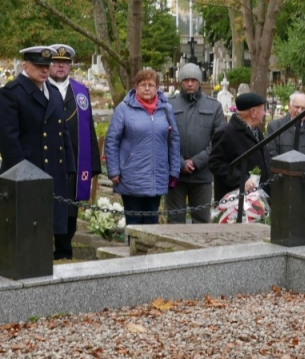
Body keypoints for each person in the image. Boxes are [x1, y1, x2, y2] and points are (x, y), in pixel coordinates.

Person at [0, 46, 76, 238]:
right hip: (27, 170)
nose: (44, 70)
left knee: (46, 228)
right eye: (38, 65)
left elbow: (63, 132)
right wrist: (22, 173)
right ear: (25, 66)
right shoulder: (12, 93)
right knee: (26, 231)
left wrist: (69, 167)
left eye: (46, 65)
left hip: (53, 171)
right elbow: (8, 140)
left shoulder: (53, 92)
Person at [105, 69, 181, 225]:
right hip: (131, 175)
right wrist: (113, 170)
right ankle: (133, 250)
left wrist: (174, 170)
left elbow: (174, 140)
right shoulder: (124, 109)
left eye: (151, 85)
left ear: (157, 88)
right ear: (136, 87)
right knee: (134, 222)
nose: (147, 88)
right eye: (143, 85)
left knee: (151, 221)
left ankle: (149, 251)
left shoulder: (166, 109)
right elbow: (112, 140)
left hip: (157, 175)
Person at [48, 44, 101, 259]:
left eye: (65, 63)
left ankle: (64, 250)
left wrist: (93, 165)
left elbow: (89, 128)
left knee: (69, 208)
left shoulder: (80, 91)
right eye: (56, 62)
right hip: (47, 160)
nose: (60, 66)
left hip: (74, 162)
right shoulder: (40, 88)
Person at [167, 63, 224, 224]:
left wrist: (196, 161)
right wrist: (180, 162)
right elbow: (164, 137)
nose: (190, 83)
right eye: (186, 80)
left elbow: (218, 141)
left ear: (200, 82)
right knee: (174, 220)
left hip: (202, 174)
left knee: (201, 221)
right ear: (180, 82)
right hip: (175, 174)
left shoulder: (214, 106)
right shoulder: (168, 105)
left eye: (193, 80)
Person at [209, 92, 271, 203]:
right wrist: (242, 180)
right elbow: (216, 163)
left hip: (257, 197)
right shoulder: (226, 133)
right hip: (236, 200)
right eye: (262, 109)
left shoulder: (255, 131)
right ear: (253, 112)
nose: (264, 113)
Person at [266, 92, 305, 160]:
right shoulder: (275, 127)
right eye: (297, 107)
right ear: (289, 106)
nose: (299, 111)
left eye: (303, 108)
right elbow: (270, 154)